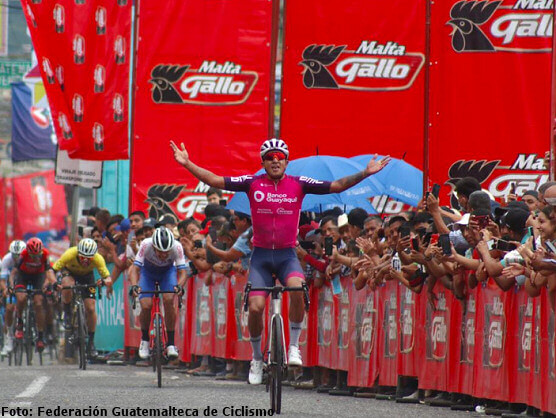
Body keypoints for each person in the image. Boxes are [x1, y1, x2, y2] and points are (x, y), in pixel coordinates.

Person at [171, 137, 390, 384]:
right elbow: (214, 180)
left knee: (297, 289)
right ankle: (256, 358)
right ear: (263, 162)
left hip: (287, 255)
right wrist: (188, 163)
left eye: (280, 157)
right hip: (261, 257)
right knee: (255, 308)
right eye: (270, 158)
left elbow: (338, 185)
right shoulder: (252, 183)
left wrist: (366, 172)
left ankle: (294, 345)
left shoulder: (299, 184)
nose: (275, 161)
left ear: (286, 161)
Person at [129, 226, 187, 360]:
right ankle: (145, 340)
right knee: (146, 305)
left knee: (168, 299)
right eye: (160, 251)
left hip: (167, 273)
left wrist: (179, 286)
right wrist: (134, 286)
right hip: (148, 273)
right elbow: (135, 268)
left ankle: (171, 343)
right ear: (153, 246)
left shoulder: (177, 247)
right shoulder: (145, 244)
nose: (163, 255)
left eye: (166, 252)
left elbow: (183, 272)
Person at [53, 238, 112, 359]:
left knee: (90, 308)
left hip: (87, 276)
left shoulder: (98, 258)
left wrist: (103, 282)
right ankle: (68, 312)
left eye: (88, 258)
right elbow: (52, 270)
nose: (85, 260)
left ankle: (90, 342)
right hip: (70, 273)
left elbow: (108, 278)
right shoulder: (70, 253)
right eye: (82, 257)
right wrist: (54, 283)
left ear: (93, 256)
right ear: (78, 253)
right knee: (67, 285)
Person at [13, 238, 56, 351]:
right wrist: (11, 286)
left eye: (38, 255)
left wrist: (48, 284)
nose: (36, 257)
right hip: (23, 276)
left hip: (38, 276)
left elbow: (48, 272)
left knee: (38, 303)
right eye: (33, 255)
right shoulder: (23, 254)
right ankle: (20, 322)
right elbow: (14, 272)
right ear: (28, 252)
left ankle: (40, 337)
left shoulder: (45, 254)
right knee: (21, 298)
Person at [0, 240, 26, 356]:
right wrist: (5, 289)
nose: (17, 258)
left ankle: (31, 323)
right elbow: (3, 280)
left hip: (26, 282)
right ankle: (8, 337)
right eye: (15, 255)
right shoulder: (7, 259)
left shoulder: (27, 258)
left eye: (19, 255)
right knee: (9, 309)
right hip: (13, 284)